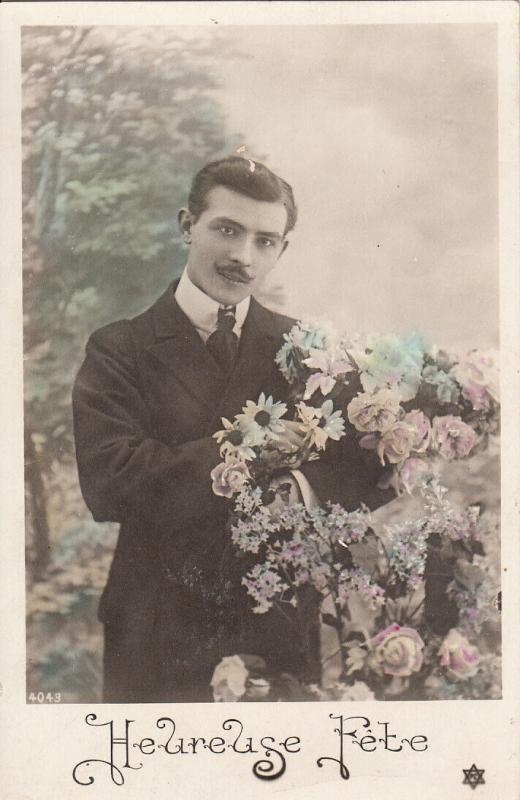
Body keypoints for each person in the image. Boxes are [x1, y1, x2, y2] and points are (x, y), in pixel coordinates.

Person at [72, 156, 393, 702]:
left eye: (266, 241)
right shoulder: (119, 348)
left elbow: (365, 465)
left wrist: (300, 488)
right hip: (157, 627)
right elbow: (109, 481)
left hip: (276, 622)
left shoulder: (309, 351)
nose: (243, 257)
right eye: (226, 230)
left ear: (282, 250)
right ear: (186, 226)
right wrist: (246, 453)